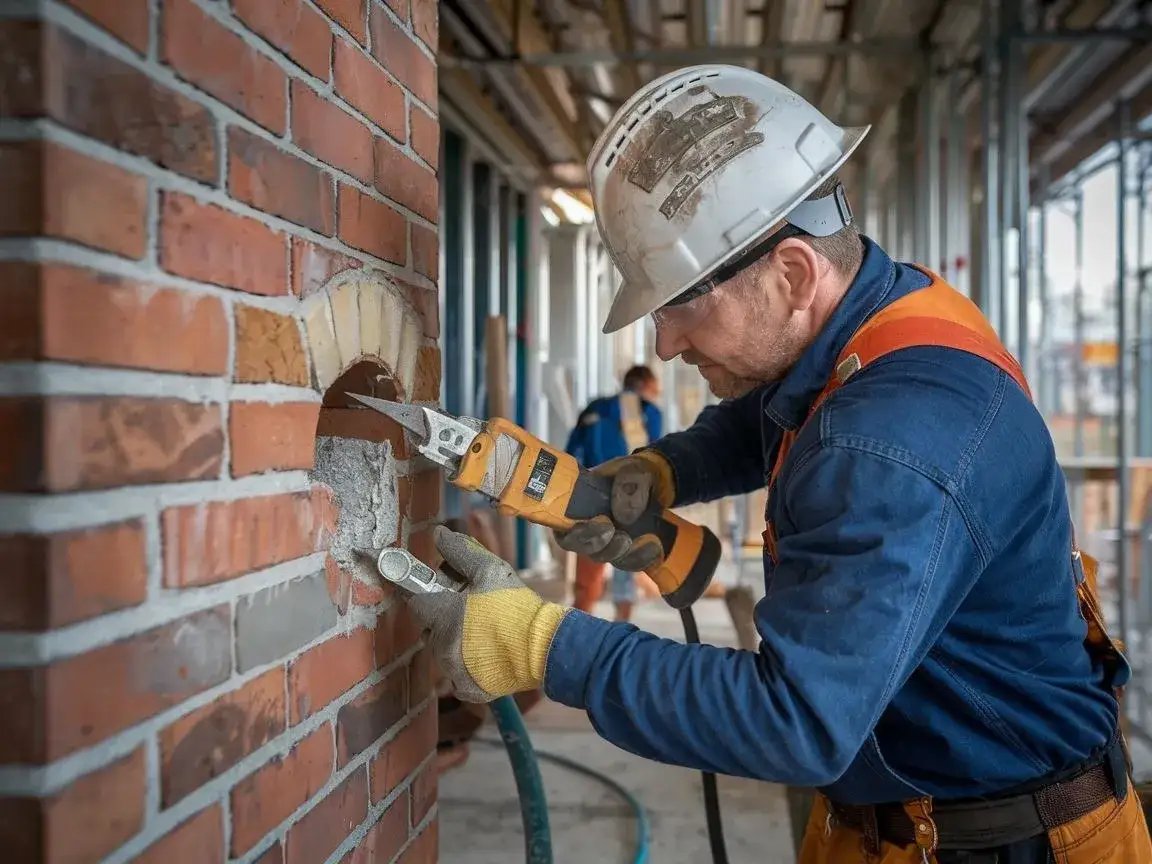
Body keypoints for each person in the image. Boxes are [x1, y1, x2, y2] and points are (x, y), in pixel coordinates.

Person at [405, 64, 1152, 863]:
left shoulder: (891, 443)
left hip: (1002, 844)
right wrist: (664, 472)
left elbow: (793, 721)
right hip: (917, 811)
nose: (665, 343)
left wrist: (544, 646)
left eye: (684, 305)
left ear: (793, 273)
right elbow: (775, 413)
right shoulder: (885, 320)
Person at [563, 364, 663, 621]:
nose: (655, 395)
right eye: (654, 389)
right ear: (643, 386)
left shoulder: (594, 408)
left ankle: (581, 627)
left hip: (590, 492)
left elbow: (572, 452)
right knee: (625, 568)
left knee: (589, 565)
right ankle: (621, 629)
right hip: (631, 497)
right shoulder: (647, 411)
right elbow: (653, 459)